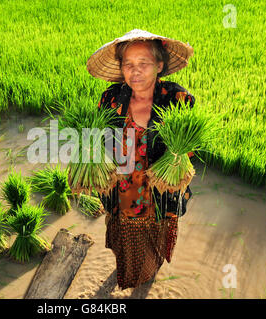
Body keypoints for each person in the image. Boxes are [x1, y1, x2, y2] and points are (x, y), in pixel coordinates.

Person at [86, 29, 196, 290]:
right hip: (121, 191)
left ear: (159, 65)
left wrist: (178, 155)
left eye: (143, 64)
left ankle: (145, 279)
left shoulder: (178, 99)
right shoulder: (111, 98)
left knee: (154, 244)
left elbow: (191, 148)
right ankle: (127, 272)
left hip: (159, 192)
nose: (135, 72)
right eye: (128, 65)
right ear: (122, 68)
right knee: (124, 242)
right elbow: (102, 140)